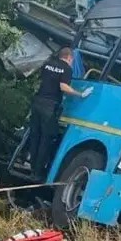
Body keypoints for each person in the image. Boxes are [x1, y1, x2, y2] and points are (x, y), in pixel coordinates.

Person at [28, 48, 91, 181]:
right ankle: (38, 172)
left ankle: (32, 167)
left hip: (37, 101)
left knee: (35, 136)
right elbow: (63, 87)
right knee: (46, 139)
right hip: (50, 106)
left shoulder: (48, 64)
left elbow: (40, 80)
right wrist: (80, 94)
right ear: (69, 58)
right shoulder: (67, 69)